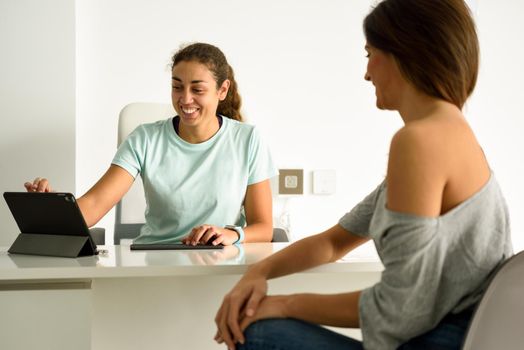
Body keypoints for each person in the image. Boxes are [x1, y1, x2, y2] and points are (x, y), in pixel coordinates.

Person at [214, 0, 513, 349]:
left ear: (405, 51)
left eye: (370, 53)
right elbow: (333, 242)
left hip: (441, 341)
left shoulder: (419, 141)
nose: (367, 73)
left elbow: (400, 308)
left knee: (260, 333)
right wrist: (258, 273)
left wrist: (282, 304)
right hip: (450, 335)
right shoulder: (449, 132)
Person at [25, 42, 278, 246]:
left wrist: (232, 234)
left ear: (222, 90)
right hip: (157, 258)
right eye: (177, 87)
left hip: (220, 261)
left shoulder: (247, 140)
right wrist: (55, 211)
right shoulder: (145, 138)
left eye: (197, 89)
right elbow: (93, 206)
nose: (185, 99)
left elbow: (263, 228)